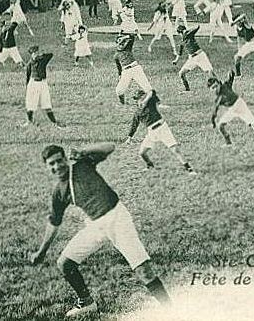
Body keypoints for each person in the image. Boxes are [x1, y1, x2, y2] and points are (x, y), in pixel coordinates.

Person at [29, 143, 171, 318]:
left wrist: (83, 151)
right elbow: (54, 222)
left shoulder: (82, 165)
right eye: (51, 164)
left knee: (143, 270)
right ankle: (87, 302)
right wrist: (42, 251)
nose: (57, 166)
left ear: (66, 159)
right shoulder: (59, 192)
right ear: (46, 167)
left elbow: (109, 147)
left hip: (118, 218)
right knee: (65, 264)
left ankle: (171, 310)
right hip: (96, 225)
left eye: (59, 161)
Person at [125, 89, 195, 174]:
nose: (138, 101)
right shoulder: (137, 113)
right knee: (142, 153)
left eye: (139, 98)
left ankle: (189, 168)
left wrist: (146, 100)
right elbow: (134, 125)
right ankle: (150, 165)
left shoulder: (150, 102)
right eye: (136, 100)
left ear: (144, 97)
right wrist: (129, 137)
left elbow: (152, 91)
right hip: (151, 133)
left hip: (162, 128)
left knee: (175, 149)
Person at [208, 70, 254, 146]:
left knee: (253, 125)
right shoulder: (218, 99)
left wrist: (231, 73)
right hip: (232, 110)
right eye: (213, 88)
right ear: (210, 90)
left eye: (216, 86)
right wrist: (213, 122)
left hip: (240, 105)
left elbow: (231, 77)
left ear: (219, 83)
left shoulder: (226, 85)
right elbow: (214, 112)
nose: (215, 89)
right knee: (220, 126)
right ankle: (228, 142)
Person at [25, 46, 65, 128]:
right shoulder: (29, 63)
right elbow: (27, 76)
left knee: (46, 103)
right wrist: (27, 87)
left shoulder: (42, 60)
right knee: (30, 104)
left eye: (37, 52)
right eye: (34, 53)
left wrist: (42, 55)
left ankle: (54, 122)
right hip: (33, 84)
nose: (36, 54)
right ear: (31, 55)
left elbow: (50, 55)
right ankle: (29, 121)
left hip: (43, 83)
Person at [115, 32, 153, 104]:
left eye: (122, 43)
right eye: (119, 43)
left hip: (136, 68)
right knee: (119, 91)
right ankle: (123, 103)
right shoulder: (116, 55)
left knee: (148, 89)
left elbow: (132, 36)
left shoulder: (128, 48)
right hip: (126, 71)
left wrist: (124, 38)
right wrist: (120, 76)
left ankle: (151, 102)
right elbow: (119, 68)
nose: (121, 45)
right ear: (116, 44)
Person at [175, 24, 214, 92]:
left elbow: (195, 29)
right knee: (181, 73)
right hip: (192, 59)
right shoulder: (182, 41)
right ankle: (187, 89)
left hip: (200, 56)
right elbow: (179, 53)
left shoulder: (189, 34)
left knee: (209, 71)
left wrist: (197, 26)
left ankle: (218, 86)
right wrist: (176, 60)